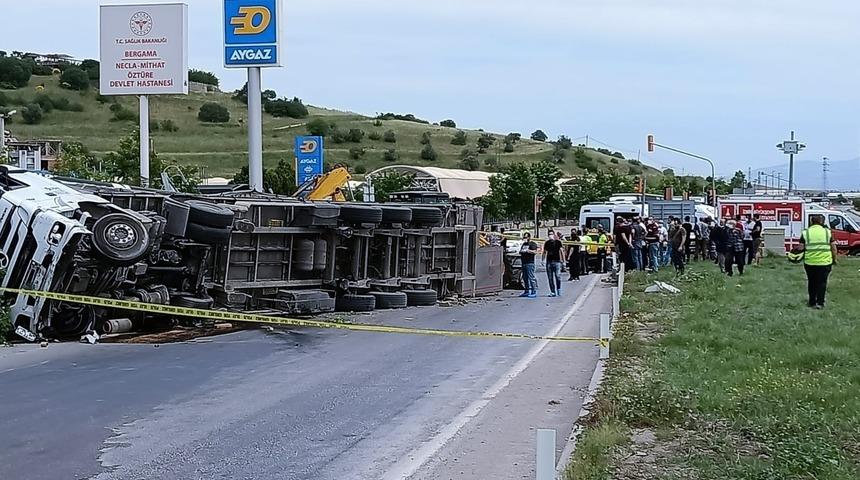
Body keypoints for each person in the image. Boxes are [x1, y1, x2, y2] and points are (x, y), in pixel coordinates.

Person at [798, 214, 838, 309]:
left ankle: (812, 302)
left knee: (812, 282)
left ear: (811, 222)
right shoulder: (827, 232)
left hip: (810, 262)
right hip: (825, 262)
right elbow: (833, 248)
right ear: (821, 222)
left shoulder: (806, 233)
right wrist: (834, 259)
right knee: (822, 282)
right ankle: (820, 303)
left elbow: (801, 248)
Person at [542, 231, 564, 297]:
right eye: (549, 234)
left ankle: (559, 289)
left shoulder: (558, 242)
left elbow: (561, 251)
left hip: (557, 261)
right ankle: (552, 291)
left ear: (554, 235)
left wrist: (563, 261)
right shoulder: (547, 243)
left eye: (551, 234)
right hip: (549, 262)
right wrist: (543, 260)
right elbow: (544, 252)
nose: (550, 235)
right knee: (550, 278)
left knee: (558, 276)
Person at [519, 232, 539, 298]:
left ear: (529, 237)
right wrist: (521, 251)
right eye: (524, 237)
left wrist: (528, 251)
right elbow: (520, 251)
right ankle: (526, 291)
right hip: (524, 262)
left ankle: (533, 291)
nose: (525, 238)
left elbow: (535, 252)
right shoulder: (524, 244)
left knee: (531, 277)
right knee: (525, 278)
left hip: (530, 263)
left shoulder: (532, 244)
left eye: (526, 237)